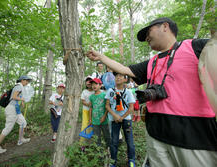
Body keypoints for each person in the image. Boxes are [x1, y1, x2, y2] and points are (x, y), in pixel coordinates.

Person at [87, 17, 217, 167]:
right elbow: (124, 69)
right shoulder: (152, 62)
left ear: (165, 27)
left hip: (194, 136)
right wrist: (101, 57)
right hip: (156, 134)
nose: (147, 38)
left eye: (149, 31)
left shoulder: (196, 47)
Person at [0, 75, 32, 154]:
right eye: (26, 80)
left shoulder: (21, 88)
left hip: (16, 109)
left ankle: (21, 139)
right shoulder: (18, 86)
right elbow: (14, 97)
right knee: (8, 127)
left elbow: (19, 99)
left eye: (28, 81)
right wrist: (22, 99)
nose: (27, 82)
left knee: (23, 123)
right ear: (22, 80)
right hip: (11, 109)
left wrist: (23, 101)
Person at [105, 72, 136, 167]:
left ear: (125, 79)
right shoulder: (110, 90)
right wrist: (115, 116)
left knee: (129, 140)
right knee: (114, 141)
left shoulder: (128, 92)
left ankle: (131, 160)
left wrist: (122, 117)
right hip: (114, 119)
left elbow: (131, 107)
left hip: (126, 119)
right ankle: (113, 161)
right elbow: (107, 106)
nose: (118, 77)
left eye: (120, 76)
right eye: (116, 76)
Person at [89, 78, 110, 148]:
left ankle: (109, 149)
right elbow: (91, 108)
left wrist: (104, 116)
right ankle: (99, 153)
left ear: (100, 85)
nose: (94, 86)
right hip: (95, 121)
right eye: (92, 84)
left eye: (96, 84)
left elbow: (107, 107)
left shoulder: (104, 95)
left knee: (107, 136)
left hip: (104, 120)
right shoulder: (91, 97)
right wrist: (90, 119)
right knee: (97, 138)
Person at [80, 76, 94, 142]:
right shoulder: (84, 91)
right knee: (85, 124)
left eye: (90, 80)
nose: (88, 82)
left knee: (93, 124)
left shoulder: (95, 91)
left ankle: (92, 140)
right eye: (87, 81)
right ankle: (82, 141)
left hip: (94, 111)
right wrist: (88, 104)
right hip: (86, 110)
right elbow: (82, 101)